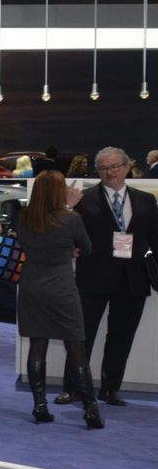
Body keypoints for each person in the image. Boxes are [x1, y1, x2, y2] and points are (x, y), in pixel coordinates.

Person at [58, 147, 156, 407]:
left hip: (133, 279)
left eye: (114, 167)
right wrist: (68, 207)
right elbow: (64, 232)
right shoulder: (84, 199)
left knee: (121, 337)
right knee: (81, 336)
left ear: (126, 168)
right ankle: (73, 388)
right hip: (93, 277)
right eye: (103, 168)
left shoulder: (146, 201)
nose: (110, 172)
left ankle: (111, 389)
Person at [16, 171, 101, 429]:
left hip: (31, 288)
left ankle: (40, 406)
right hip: (62, 289)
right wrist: (69, 247)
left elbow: (27, 246)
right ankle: (90, 410)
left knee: (37, 345)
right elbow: (87, 248)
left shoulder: (24, 217)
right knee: (76, 348)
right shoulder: (71, 218)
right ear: (59, 191)